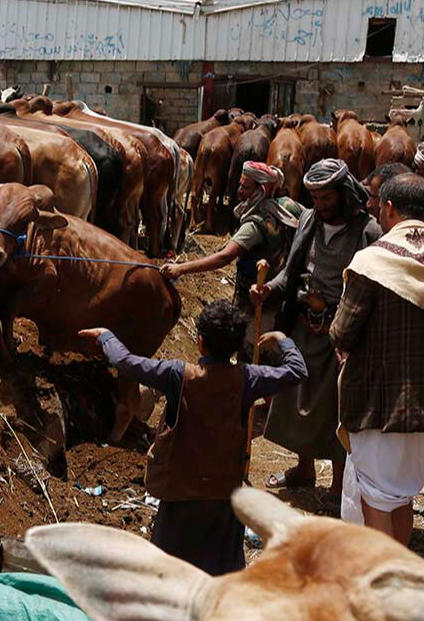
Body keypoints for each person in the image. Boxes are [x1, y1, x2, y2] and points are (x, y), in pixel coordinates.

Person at [80, 300, 307, 574]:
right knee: (221, 573)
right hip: (223, 495)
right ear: (237, 346)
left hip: (179, 494)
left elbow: (126, 363)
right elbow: (297, 371)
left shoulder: (178, 375)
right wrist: (284, 341)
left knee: (168, 572)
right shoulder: (247, 378)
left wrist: (106, 336)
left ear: (199, 341)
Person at [330, 173, 424, 546]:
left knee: (377, 498)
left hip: (380, 406)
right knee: (402, 496)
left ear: (389, 209)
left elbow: (341, 333)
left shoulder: (370, 262)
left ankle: (387, 586)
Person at [250, 159, 381, 505]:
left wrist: (344, 323)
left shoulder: (366, 231)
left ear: (343, 193)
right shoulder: (308, 219)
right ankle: (304, 467)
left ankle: (339, 485)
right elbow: (291, 271)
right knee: (296, 398)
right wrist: (270, 290)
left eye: (326, 198)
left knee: (336, 407)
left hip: (341, 332)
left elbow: (370, 288)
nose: (319, 205)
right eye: (314, 198)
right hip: (302, 322)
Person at [160, 162, 303, 322]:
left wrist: (180, 268)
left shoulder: (255, 224)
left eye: (246, 188)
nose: (239, 191)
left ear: (261, 190)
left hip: (257, 300)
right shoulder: (288, 205)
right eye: (240, 185)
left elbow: (224, 257)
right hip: (285, 291)